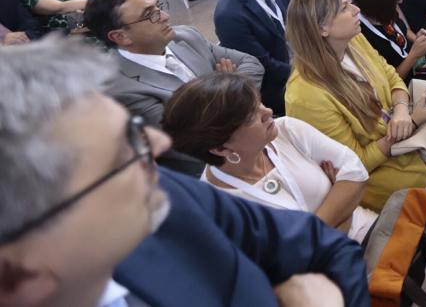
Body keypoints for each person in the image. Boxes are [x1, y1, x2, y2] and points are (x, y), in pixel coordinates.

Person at [0, 38, 371, 307]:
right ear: (21, 270)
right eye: (125, 148)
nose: (159, 145)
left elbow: (326, 247)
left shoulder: (167, 197)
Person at [283, 0, 426, 212]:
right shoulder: (306, 94)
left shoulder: (353, 40)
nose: (356, 10)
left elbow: (391, 76)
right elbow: (355, 165)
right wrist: (412, 122)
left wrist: (404, 111)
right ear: (322, 28)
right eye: (344, 8)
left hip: (403, 133)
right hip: (379, 174)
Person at [161, 72, 377, 241]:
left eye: (259, 102)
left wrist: (315, 233)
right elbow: (290, 264)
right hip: (334, 281)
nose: (268, 112)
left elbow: (355, 173)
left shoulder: (287, 130)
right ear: (220, 148)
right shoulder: (218, 206)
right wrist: (341, 207)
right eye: (250, 117)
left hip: (368, 231)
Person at [83, 0, 263, 126]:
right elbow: (187, 138)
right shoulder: (121, 90)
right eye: (150, 14)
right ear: (120, 36)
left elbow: (252, 63)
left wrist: (223, 94)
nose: (165, 16)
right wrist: (227, 85)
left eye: (159, 6)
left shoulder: (185, 36)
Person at [213, 0, 293, 115]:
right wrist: (309, 71)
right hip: (277, 86)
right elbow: (263, 65)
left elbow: (295, 21)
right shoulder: (229, 14)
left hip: (299, 60)